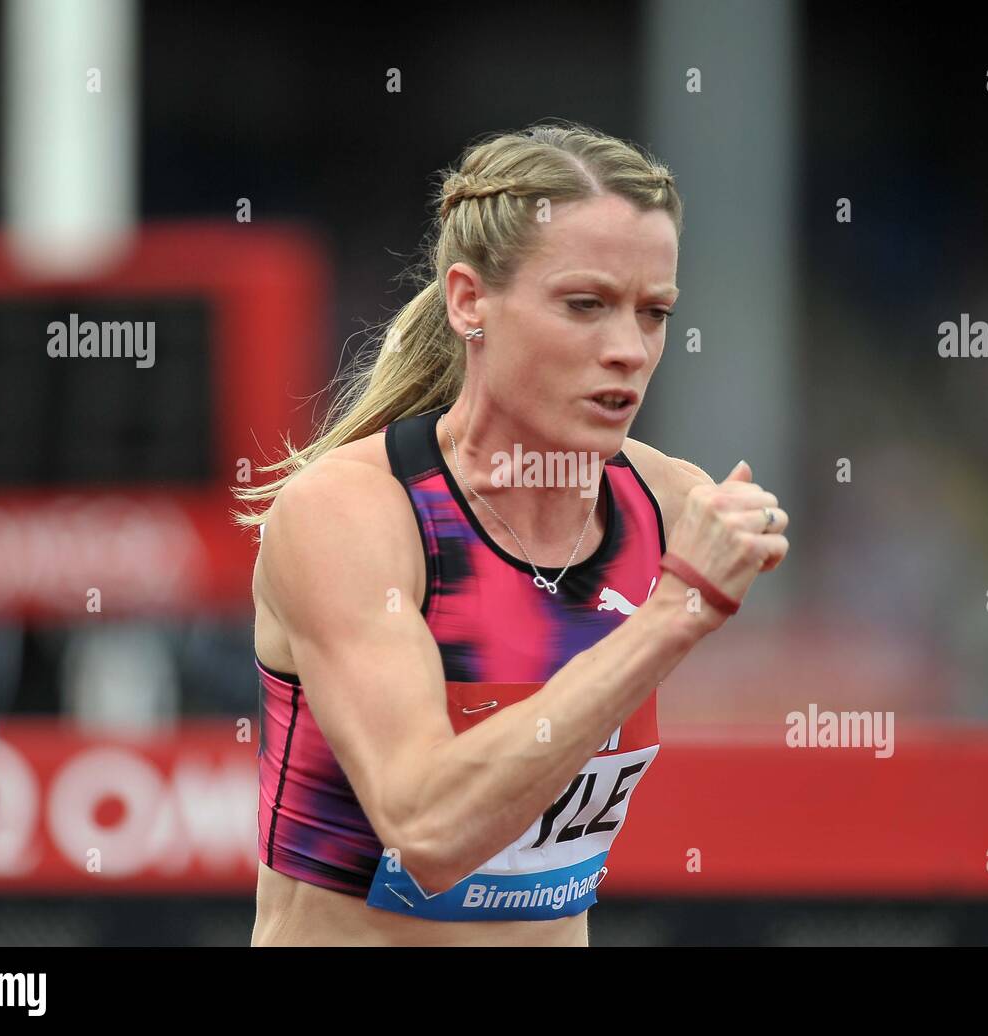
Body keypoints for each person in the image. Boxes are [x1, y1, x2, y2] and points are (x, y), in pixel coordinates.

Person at [232, 120, 789, 946]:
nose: (628, 350)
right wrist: (677, 611)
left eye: (654, 312)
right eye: (585, 305)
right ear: (469, 302)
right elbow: (429, 831)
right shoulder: (352, 515)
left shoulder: (669, 504)